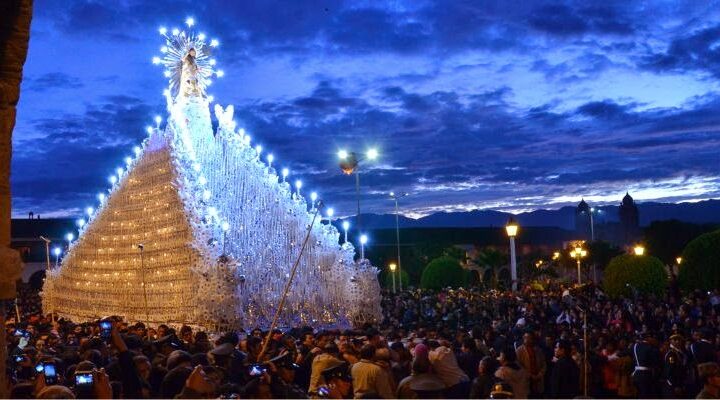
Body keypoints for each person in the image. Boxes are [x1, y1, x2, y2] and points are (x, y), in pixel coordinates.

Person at [515, 332, 546, 396]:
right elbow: (518, 365)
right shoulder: (519, 350)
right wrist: (529, 375)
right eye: (525, 337)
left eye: (528, 338)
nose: (526, 340)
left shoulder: (538, 350)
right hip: (526, 380)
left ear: (533, 339)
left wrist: (540, 374)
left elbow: (543, 363)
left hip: (538, 379)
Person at [631, 332, 661, 398]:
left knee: (638, 394)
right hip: (646, 375)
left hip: (636, 374)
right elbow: (656, 362)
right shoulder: (651, 348)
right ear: (648, 338)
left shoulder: (634, 346)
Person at [664, 333, 689, 398]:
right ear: (670, 341)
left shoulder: (681, 352)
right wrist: (674, 385)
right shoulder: (671, 354)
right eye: (675, 339)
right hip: (674, 385)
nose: (677, 341)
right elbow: (670, 370)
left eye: (679, 339)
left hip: (681, 382)